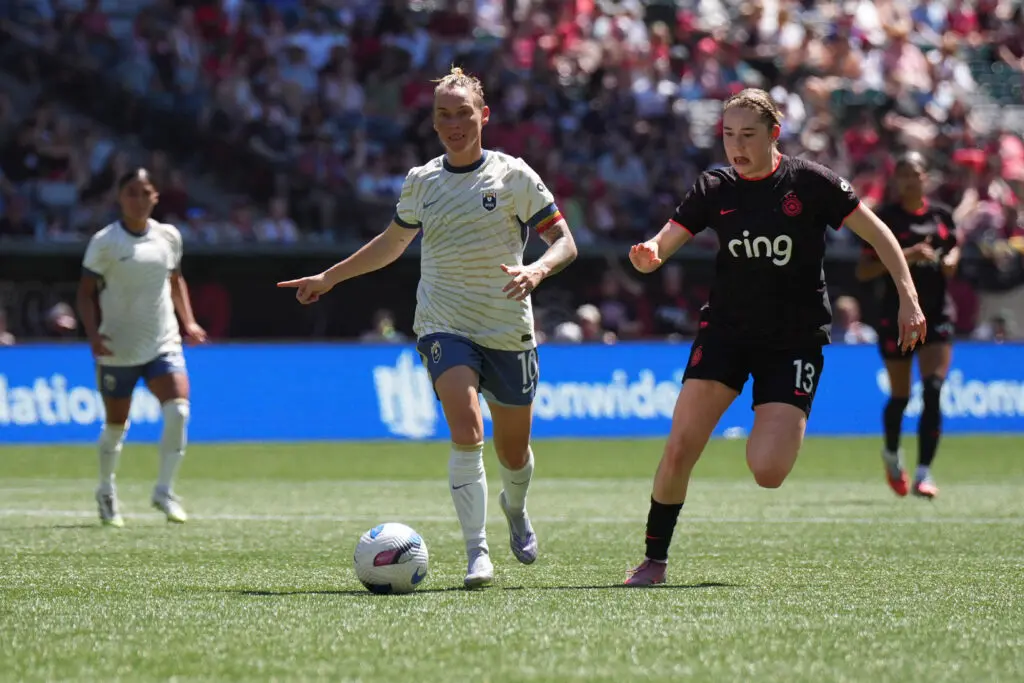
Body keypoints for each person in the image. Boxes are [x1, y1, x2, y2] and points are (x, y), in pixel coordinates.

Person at [277, 67, 578, 589]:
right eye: (444, 114)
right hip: (443, 325)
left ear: (483, 116)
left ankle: (516, 506)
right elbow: (392, 244)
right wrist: (330, 277)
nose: (455, 124)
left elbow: (566, 242)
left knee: (514, 453)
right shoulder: (423, 181)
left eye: (464, 113)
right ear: (434, 121)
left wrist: (537, 269)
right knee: (466, 430)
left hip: (507, 327)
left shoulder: (514, 176)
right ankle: (476, 554)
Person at [622, 88, 928, 586]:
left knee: (767, 471)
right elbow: (667, 238)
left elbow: (879, 234)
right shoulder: (714, 187)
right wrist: (651, 253)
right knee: (680, 445)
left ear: (774, 135)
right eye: (727, 136)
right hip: (725, 331)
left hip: (793, 340)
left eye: (747, 135)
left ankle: (775, 418)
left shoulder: (808, 182)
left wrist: (908, 299)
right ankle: (654, 559)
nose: (736, 147)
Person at [77, 168, 208, 528]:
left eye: (144, 192)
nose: (138, 199)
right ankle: (106, 490)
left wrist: (189, 322)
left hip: (163, 342)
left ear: (155, 197)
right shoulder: (105, 241)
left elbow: (176, 280)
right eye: (131, 192)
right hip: (117, 347)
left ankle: (164, 490)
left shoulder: (169, 237)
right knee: (117, 426)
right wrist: (92, 334)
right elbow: (85, 294)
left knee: (179, 411)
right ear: (120, 198)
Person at [855, 152, 960, 499]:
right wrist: (907, 255)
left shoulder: (942, 215)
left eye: (915, 173)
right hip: (897, 316)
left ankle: (924, 474)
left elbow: (953, 253)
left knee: (932, 390)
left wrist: (947, 261)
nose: (909, 180)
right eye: (902, 174)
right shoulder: (885, 218)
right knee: (900, 396)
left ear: (925, 176)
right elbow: (864, 271)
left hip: (937, 315)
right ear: (895, 180)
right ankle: (891, 454)